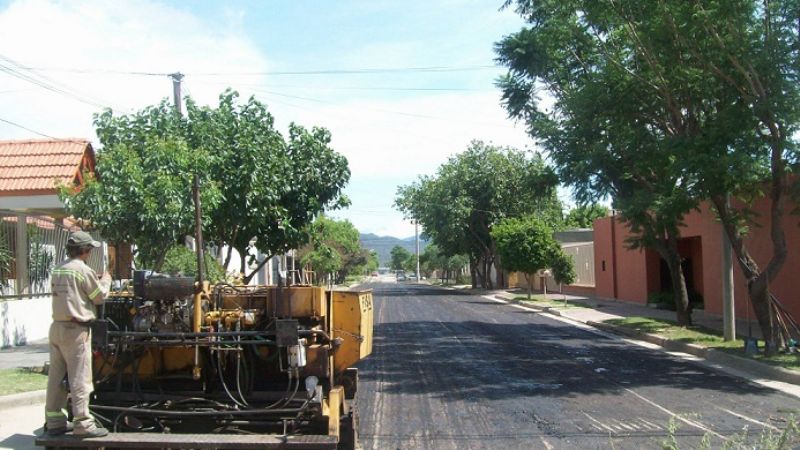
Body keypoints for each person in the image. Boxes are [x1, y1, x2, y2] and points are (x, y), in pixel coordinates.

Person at [44, 231, 111, 438]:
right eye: (89, 249)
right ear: (85, 250)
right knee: (80, 378)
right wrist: (106, 280)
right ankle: (83, 424)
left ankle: (54, 421)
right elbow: (99, 297)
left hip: (56, 328)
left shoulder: (58, 268)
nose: (90, 252)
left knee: (56, 378)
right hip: (76, 331)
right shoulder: (83, 270)